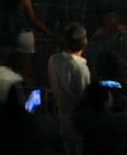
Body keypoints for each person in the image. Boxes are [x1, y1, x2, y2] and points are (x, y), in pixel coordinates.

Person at [46, 22, 91, 153]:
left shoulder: (54, 60)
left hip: (63, 119)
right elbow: (84, 97)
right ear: (85, 42)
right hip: (79, 123)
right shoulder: (80, 68)